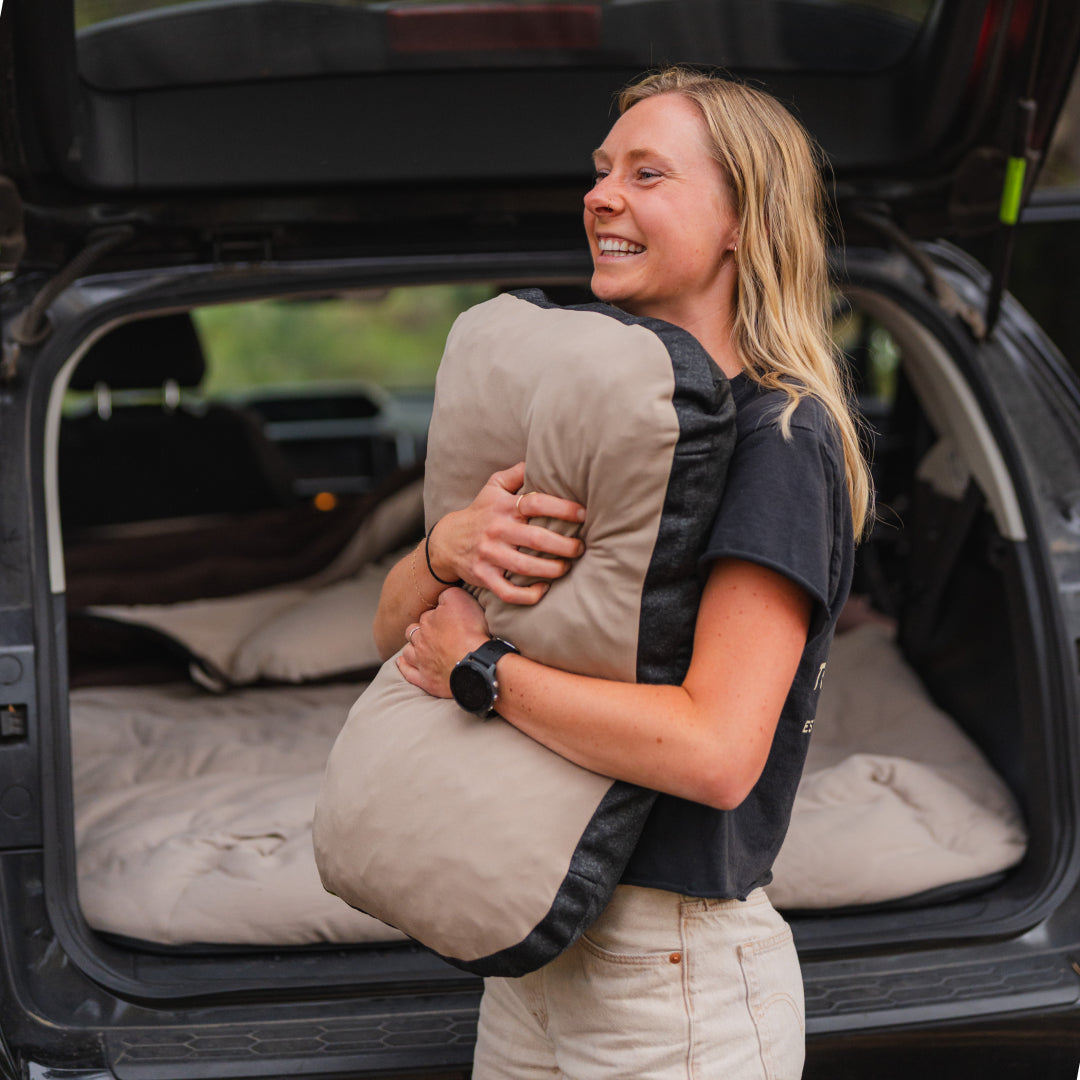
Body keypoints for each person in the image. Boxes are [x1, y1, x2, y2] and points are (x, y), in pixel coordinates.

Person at [372, 66, 872, 1079]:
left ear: (741, 220)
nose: (601, 195)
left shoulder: (779, 439)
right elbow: (393, 642)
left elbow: (717, 752)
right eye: (602, 171)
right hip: (534, 946)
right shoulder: (593, 410)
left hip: (671, 978)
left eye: (648, 174)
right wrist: (445, 548)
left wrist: (485, 671)